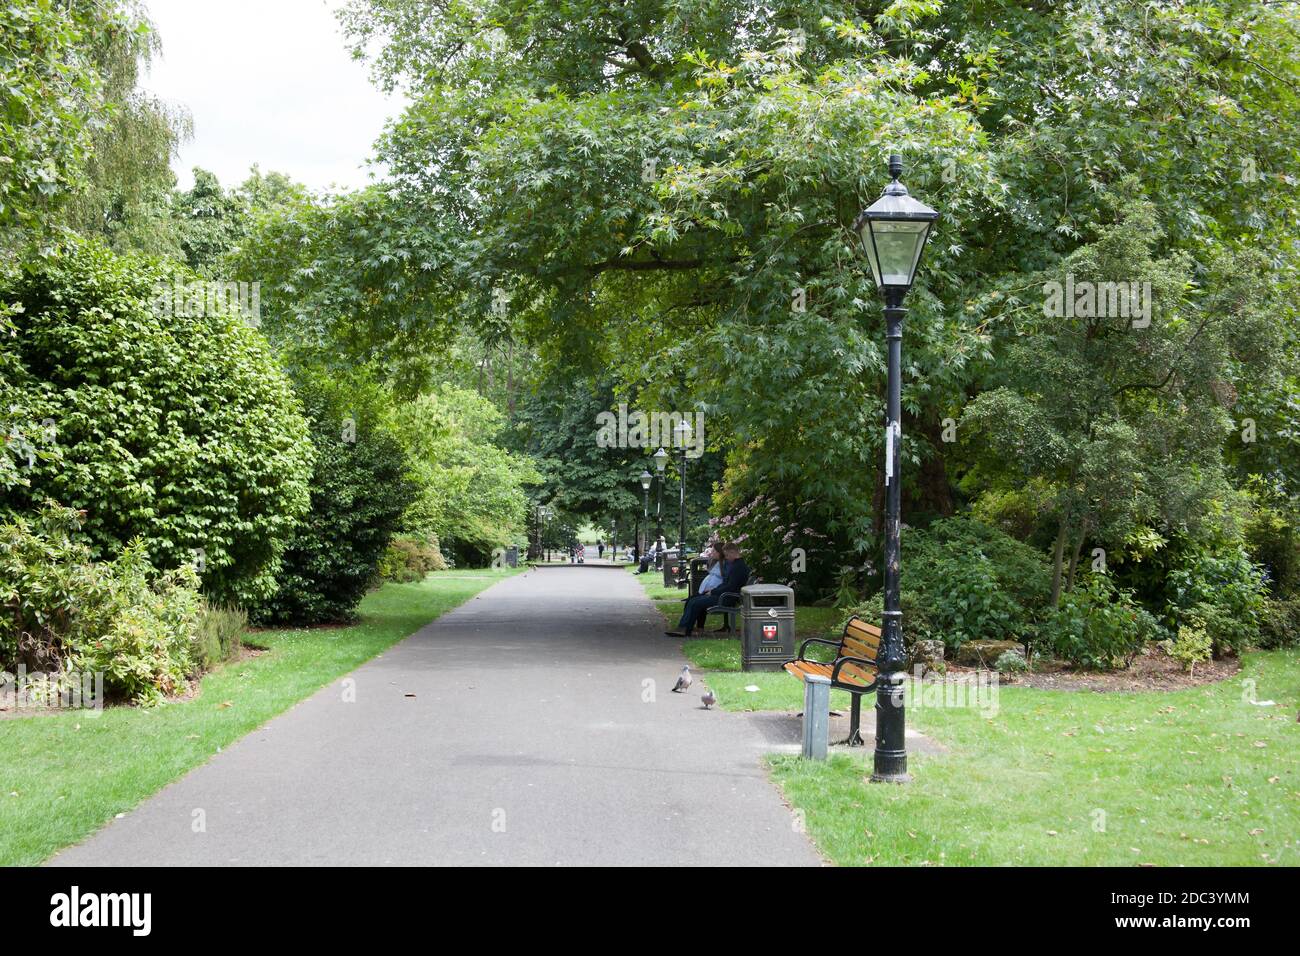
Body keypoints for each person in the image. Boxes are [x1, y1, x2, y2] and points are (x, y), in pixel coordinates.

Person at [666, 543, 749, 638]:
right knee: (693, 600)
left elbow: (730, 586)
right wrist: (714, 590)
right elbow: (727, 584)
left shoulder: (738, 567)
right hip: (725, 595)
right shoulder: (735, 565)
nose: (726, 558)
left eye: (727, 555)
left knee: (695, 603)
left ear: (733, 552)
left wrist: (713, 591)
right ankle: (684, 628)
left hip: (727, 598)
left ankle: (684, 628)